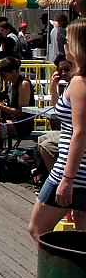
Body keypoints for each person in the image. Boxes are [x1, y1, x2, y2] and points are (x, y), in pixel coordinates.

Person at [29, 21, 86, 242]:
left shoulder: (80, 83)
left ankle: (56, 276)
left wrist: (67, 179)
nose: (65, 47)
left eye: (69, 42)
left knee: (38, 229)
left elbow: (80, 133)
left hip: (73, 170)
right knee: (82, 235)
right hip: (80, 170)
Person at [37, 53, 74, 174]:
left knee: (46, 146)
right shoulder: (68, 86)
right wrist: (53, 86)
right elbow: (56, 108)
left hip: (73, 133)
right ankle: (45, 175)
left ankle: (56, 177)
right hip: (67, 130)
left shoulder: (76, 86)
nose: (63, 73)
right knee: (41, 139)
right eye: (60, 70)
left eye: (67, 69)